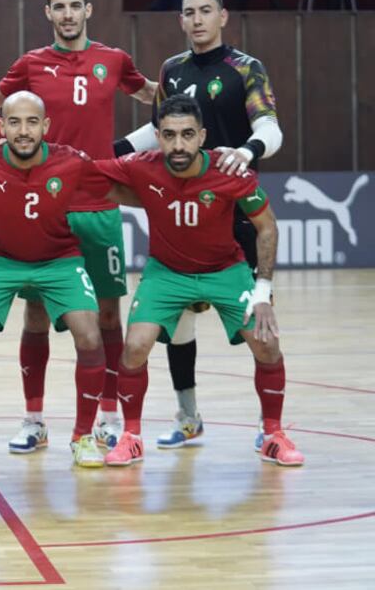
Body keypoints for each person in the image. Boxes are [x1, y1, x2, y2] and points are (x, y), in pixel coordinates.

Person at [0, 0, 156, 453]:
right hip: (45, 206)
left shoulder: (113, 60)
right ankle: (34, 420)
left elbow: (151, 95)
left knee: (107, 315)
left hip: (98, 206)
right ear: (49, 13)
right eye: (60, 7)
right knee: (36, 313)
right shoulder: (31, 64)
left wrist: (200, 99)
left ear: (88, 11)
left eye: (76, 6)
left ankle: (108, 418)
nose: (68, 14)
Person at [118, 0, 284, 450]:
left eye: (206, 11)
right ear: (181, 20)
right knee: (180, 325)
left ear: (222, 16)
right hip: (182, 207)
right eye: (189, 12)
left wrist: (246, 152)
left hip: (235, 209)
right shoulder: (172, 69)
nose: (197, 20)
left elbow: (270, 126)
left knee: (259, 327)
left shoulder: (246, 68)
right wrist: (114, 151)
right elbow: (158, 130)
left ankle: (268, 426)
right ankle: (188, 416)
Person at [97, 94, 304, 468]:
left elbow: (267, 226)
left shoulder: (230, 171)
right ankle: (131, 437)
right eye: (169, 135)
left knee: (267, 344)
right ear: (158, 137)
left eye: (187, 134)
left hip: (225, 271)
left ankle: (273, 435)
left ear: (202, 136)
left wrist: (262, 292)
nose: (178, 144)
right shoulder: (141, 166)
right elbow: (89, 175)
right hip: (166, 273)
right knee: (135, 347)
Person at [0, 91, 111, 469]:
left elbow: (119, 184)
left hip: (59, 261)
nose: (23, 131)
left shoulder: (72, 161)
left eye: (32, 122)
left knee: (89, 335)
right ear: (1, 126)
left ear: (45, 126)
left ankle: (83, 436)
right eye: (14, 122)